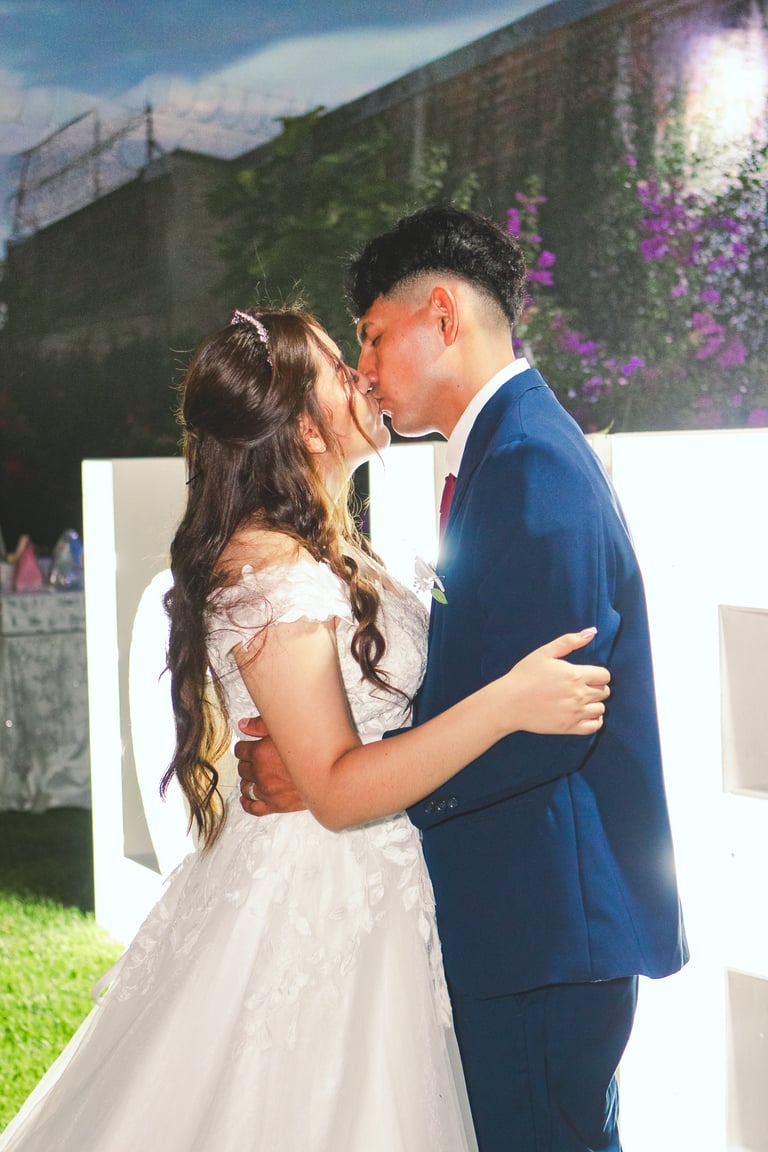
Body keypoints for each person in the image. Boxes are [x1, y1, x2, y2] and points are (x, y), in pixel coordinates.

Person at [0, 307, 610, 1152]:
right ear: (305, 430)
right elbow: (335, 791)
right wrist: (509, 702)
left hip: (373, 888)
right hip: (320, 902)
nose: (366, 377)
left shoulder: (321, 543)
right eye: (341, 370)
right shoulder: (271, 573)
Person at [236, 208, 689, 1152]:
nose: (365, 369)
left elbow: (545, 722)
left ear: (441, 316)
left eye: (371, 336)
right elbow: (483, 684)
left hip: (540, 928)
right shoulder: (501, 451)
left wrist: (341, 782)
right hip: (521, 921)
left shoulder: (529, 465)